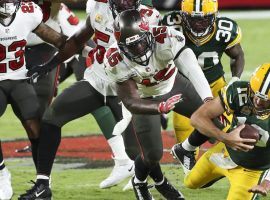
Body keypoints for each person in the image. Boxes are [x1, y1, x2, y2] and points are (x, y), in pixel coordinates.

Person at [18, 1, 161, 200]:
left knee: (137, 149)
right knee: (51, 118)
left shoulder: (149, 16)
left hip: (126, 87)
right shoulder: (98, 8)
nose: (124, 2)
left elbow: (158, 57)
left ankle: (161, 183)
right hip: (97, 80)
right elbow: (77, 41)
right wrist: (49, 65)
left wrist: (153, 94)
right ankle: (43, 185)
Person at [103, 9, 220, 200]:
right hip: (144, 99)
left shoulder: (167, 37)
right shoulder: (115, 60)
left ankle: (186, 149)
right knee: (153, 155)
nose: (139, 49)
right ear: (121, 46)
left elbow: (192, 69)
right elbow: (131, 101)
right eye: (131, 46)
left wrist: (208, 100)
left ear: (148, 33)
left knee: (214, 120)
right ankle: (140, 182)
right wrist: (159, 108)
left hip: (175, 86)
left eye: (141, 42)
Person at [0, 0, 68, 199]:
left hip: (20, 78)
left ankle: (42, 182)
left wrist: (85, 49)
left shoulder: (28, 12)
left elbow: (59, 41)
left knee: (36, 127)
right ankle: (3, 175)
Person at [161, 0, 244, 146]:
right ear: (183, 15)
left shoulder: (225, 30)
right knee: (183, 127)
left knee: (225, 129)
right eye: (193, 18)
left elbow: (237, 56)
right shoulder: (170, 26)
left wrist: (235, 79)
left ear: (215, 16)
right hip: (184, 87)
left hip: (215, 84)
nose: (198, 23)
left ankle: (223, 165)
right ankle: (189, 166)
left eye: (204, 18)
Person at [185, 63, 270, 200]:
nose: (258, 101)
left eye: (265, 100)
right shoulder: (239, 91)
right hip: (225, 152)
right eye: (255, 93)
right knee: (190, 182)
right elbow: (197, 118)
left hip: (252, 171)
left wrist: (266, 183)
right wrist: (225, 137)